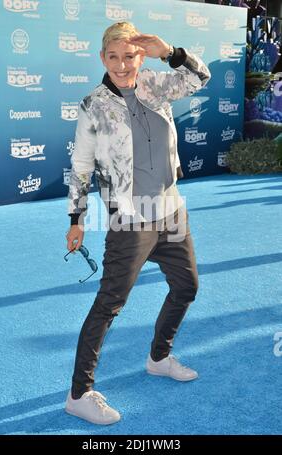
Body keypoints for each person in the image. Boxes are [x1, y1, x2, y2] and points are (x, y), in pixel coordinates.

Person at [65, 21, 211, 425]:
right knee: (110, 304)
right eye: (113, 57)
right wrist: (76, 218)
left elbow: (200, 76)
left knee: (187, 286)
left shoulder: (153, 84)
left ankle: (159, 358)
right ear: (102, 59)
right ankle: (79, 393)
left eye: (129, 56)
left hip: (171, 210)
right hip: (130, 219)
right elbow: (80, 167)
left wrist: (169, 52)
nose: (122, 64)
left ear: (140, 56)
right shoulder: (92, 104)